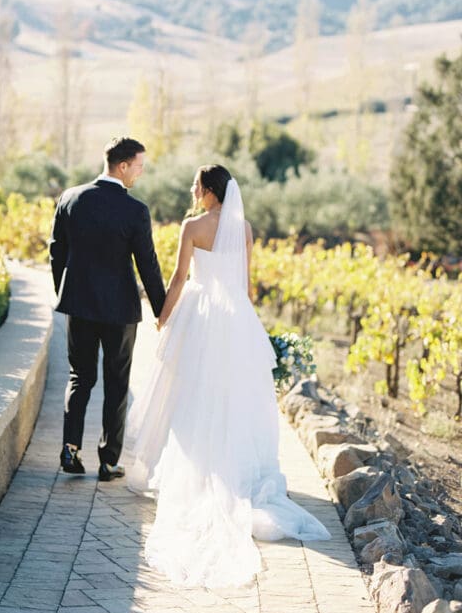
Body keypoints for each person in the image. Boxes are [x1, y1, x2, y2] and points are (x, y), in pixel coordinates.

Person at [125, 163, 329, 587]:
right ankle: (238, 470)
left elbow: (180, 277)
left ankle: (195, 467)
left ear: (207, 190)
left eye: (196, 186)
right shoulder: (246, 228)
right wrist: (248, 323)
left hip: (200, 316)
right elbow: (245, 285)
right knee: (234, 395)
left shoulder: (194, 227)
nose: (194, 191)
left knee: (190, 392)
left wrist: (164, 317)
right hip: (235, 317)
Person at [49, 136, 167, 480]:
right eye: (139, 166)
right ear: (123, 165)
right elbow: (148, 263)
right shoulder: (135, 211)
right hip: (120, 311)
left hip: (80, 306)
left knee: (79, 377)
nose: (140, 174)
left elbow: (57, 252)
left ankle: (70, 450)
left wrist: (66, 293)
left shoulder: (70, 198)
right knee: (117, 383)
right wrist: (162, 310)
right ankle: (108, 461)